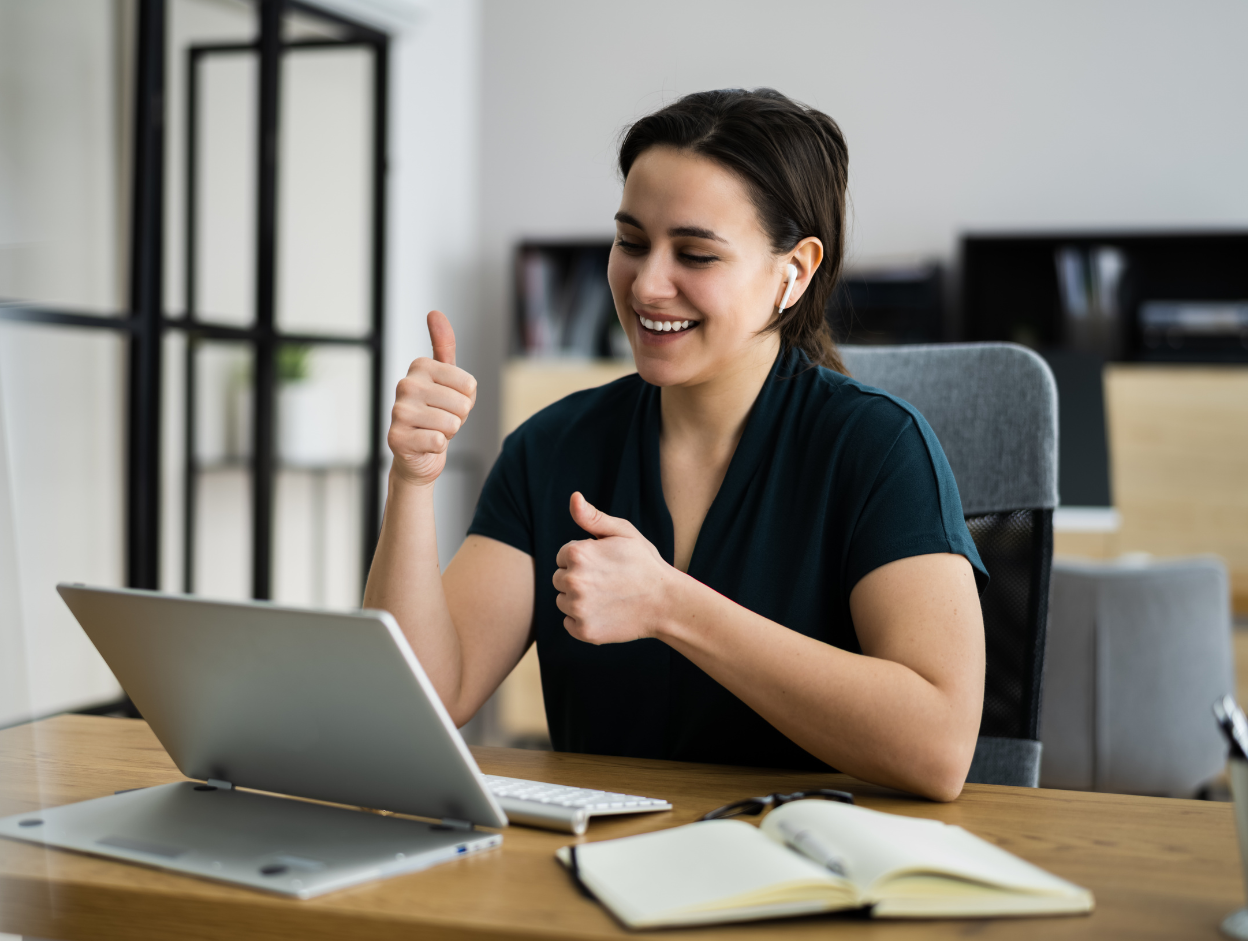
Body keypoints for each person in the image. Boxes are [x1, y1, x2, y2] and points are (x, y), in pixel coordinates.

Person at [363, 88, 986, 803]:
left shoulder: (878, 449)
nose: (647, 284)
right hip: (592, 875)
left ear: (795, 271)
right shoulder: (551, 447)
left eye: (694, 253)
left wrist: (672, 606)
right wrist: (411, 482)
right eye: (631, 242)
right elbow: (421, 700)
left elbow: (939, 748)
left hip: (805, 876)